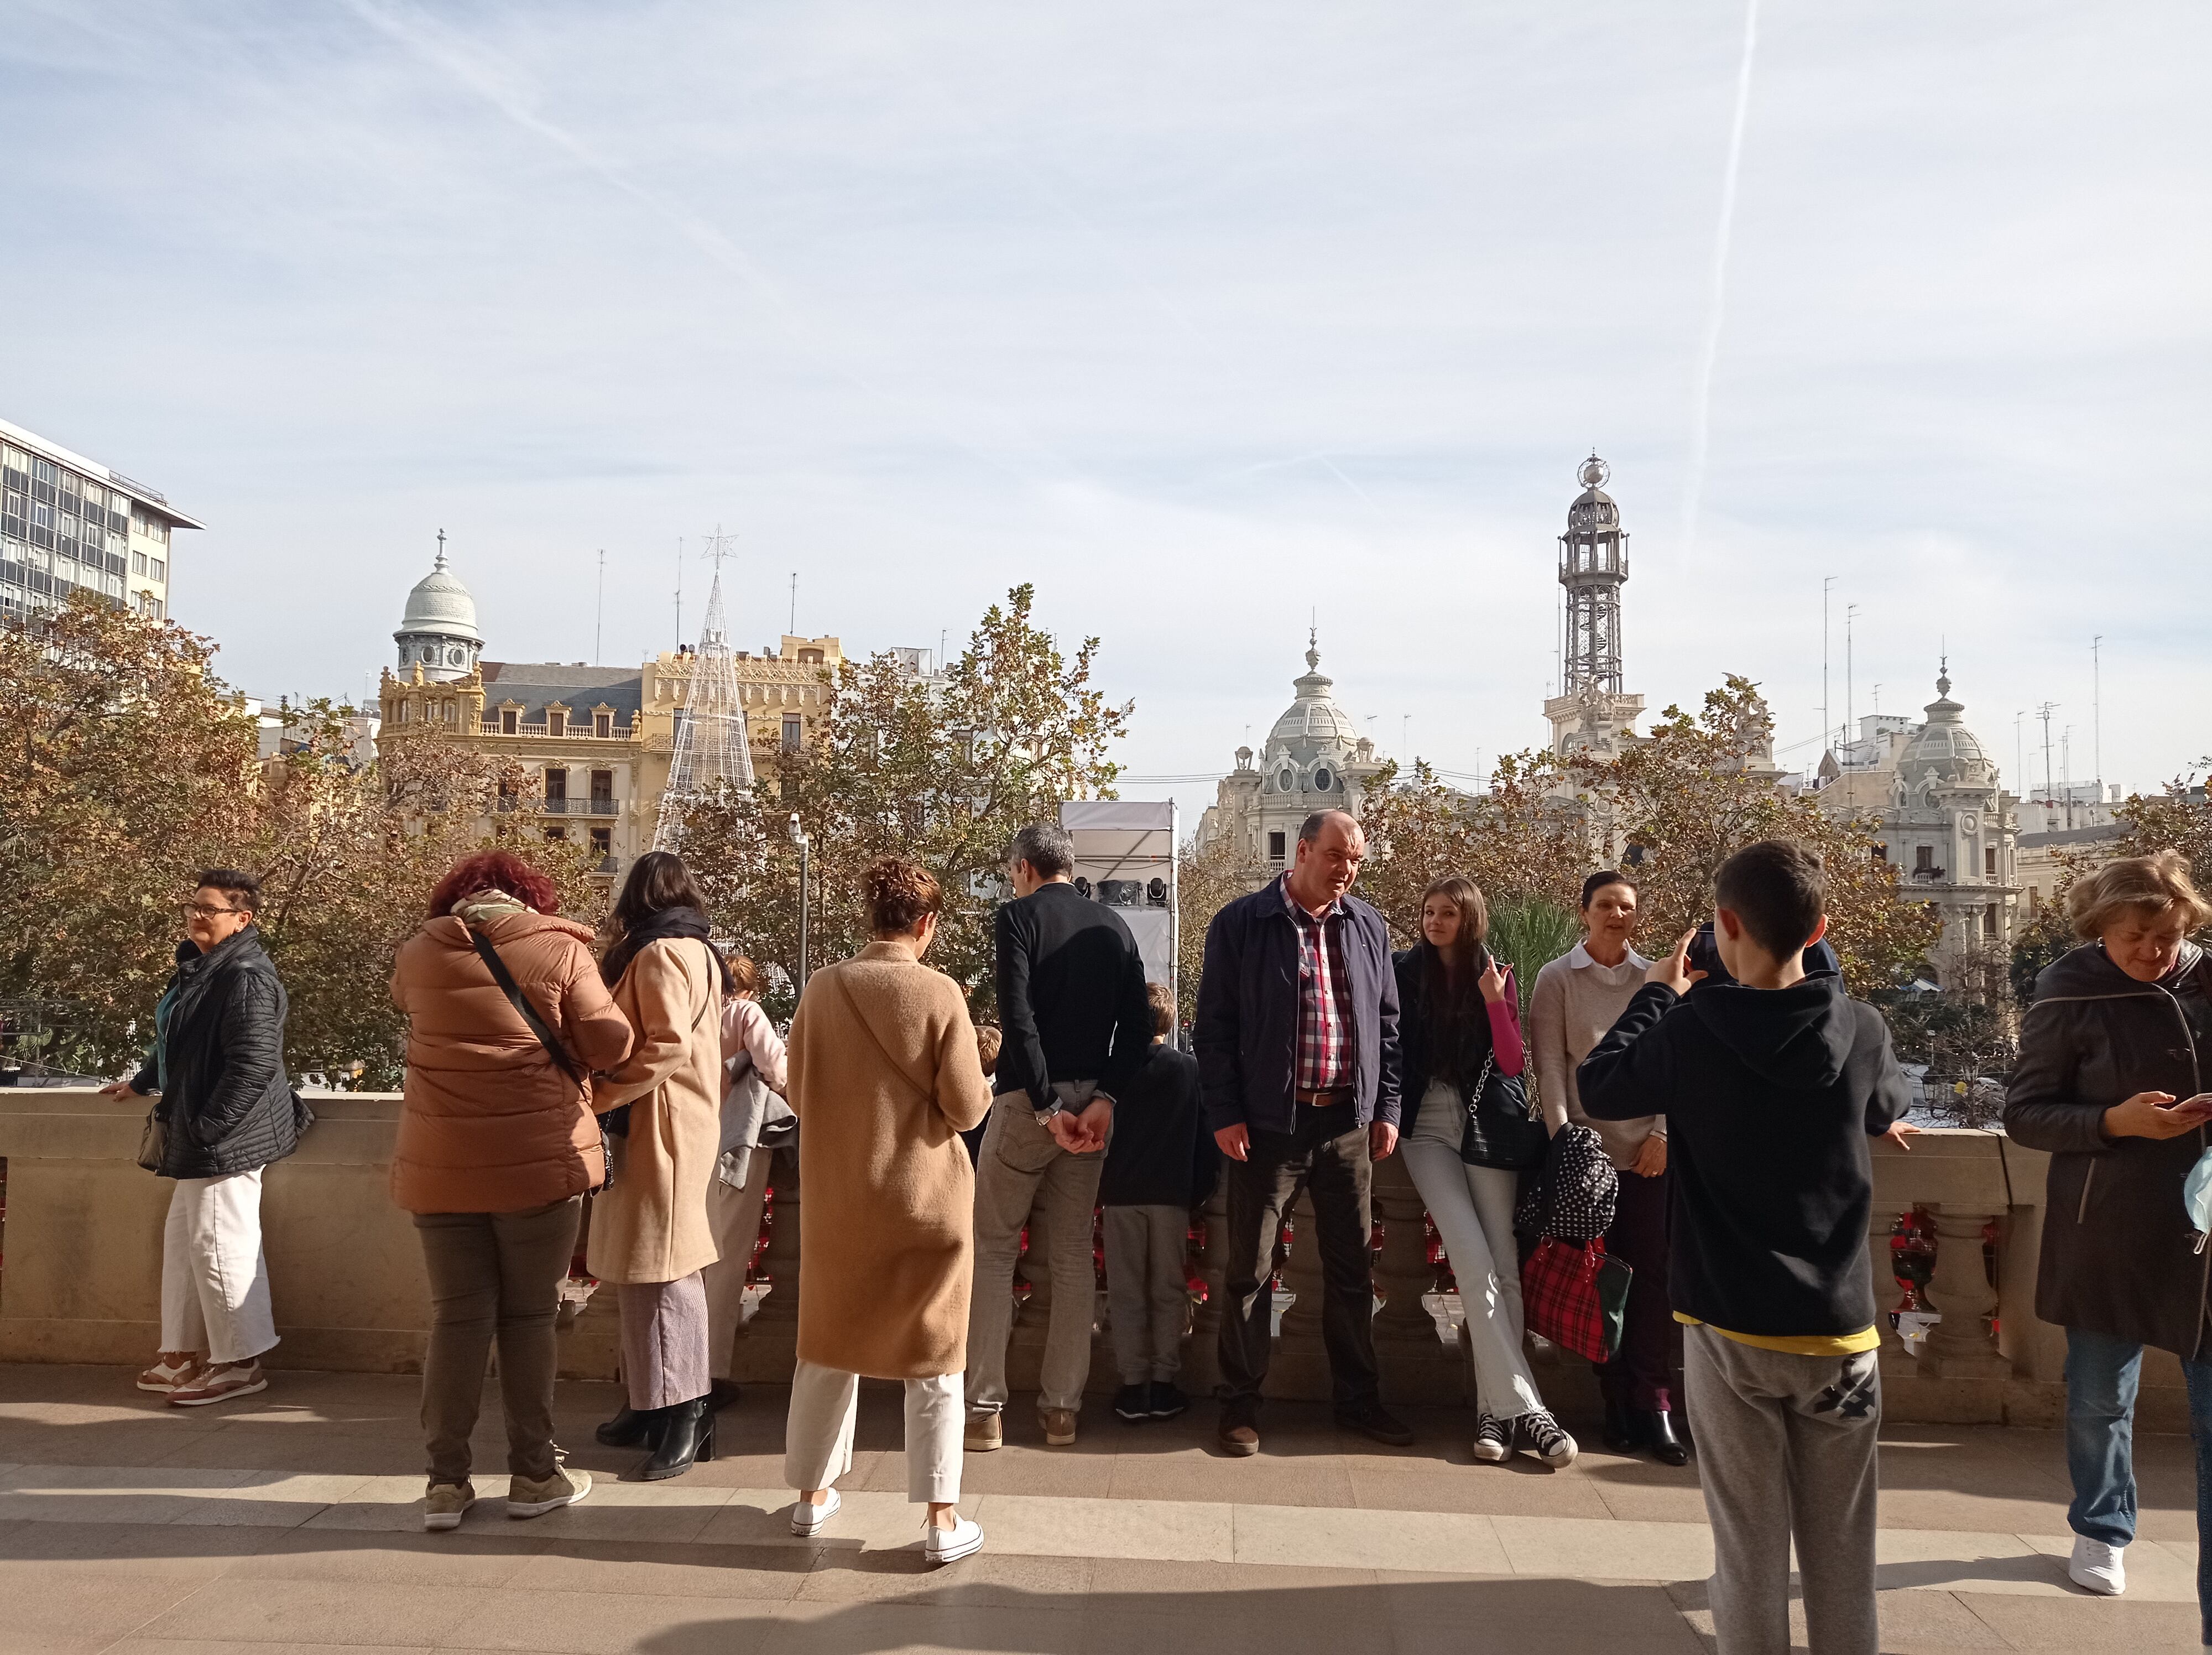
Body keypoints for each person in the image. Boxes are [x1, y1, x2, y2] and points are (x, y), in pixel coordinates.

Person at [1578, 839, 1910, 1655]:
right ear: (1820, 930)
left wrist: (1659, 993)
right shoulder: (1861, 1029)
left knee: (1749, 1549)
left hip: (1729, 1327)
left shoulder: (1693, 1029)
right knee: (1844, 1555)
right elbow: (1885, 1104)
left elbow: (1601, 1083)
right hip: (1840, 1334)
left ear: (1724, 925)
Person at [389, 850, 632, 1530]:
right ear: (531, 898)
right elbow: (609, 1043)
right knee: (529, 1317)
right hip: (537, 1160)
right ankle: (533, 1474)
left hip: (440, 1164)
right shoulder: (560, 949)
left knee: (457, 1318)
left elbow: (408, 1005)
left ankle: (444, 1483)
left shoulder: (419, 952)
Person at [2004, 850, 2212, 1621]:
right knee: (2098, 1397)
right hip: (2105, 1225)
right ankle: (2100, 1527)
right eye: (2134, 938)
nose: (2153, 953)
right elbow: (2026, 1114)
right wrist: (2113, 1122)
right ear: (2100, 928)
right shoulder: (2068, 987)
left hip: (2203, 1228)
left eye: (2168, 937)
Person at [783, 856, 994, 1564]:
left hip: (840, 1202)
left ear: (870, 917)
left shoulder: (822, 988)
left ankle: (811, 1498)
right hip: (924, 1201)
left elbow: (797, 1091)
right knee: (934, 1357)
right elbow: (966, 1108)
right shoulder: (939, 993)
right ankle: (941, 1520)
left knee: (827, 1347)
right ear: (926, 923)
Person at [1195, 808, 1410, 1456]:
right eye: (1337, 856)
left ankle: (1358, 1401)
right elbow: (1214, 1029)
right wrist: (1226, 1111)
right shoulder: (1242, 922)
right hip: (1269, 1125)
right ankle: (1239, 1406)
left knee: (1352, 1271)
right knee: (1250, 1270)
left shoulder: (1367, 925)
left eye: (1356, 860)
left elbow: (1388, 1027)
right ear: (1303, 851)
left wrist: (1386, 1108)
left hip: (1347, 1123)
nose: (1347, 870)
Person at [965, 820, 1153, 1451]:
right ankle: (1062, 1411)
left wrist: (1046, 1105)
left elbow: (1017, 1018)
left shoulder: (1017, 918)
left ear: (1024, 867)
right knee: (1072, 1255)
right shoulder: (1115, 927)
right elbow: (1137, 1027)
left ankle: (984, 1409)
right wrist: (1104, 1098)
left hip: (1027, 1102)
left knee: (994, 1250)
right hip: (1092, 1105)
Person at [1394, 876, 1576, 1467]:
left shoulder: (1495, 973)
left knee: (1503, 1265)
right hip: (1425, 1129)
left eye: (1447, 912)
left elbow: (1512, 1062)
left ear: (1469, 918)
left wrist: (1495, 999)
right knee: (1473, 1263)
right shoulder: (1403, 972)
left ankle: (1493, 1414)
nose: (1435, 921)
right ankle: (1534, 1412)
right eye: (1428, 910)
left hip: (1488, 1128)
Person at [107, 869, 304, 1409]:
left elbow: (254, 1064)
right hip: (199, 1130)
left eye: (210, 909)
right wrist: (143, 1082)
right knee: (185, 1241)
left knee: (220, 1244)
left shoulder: (245, 976)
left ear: (242, 919)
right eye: (194, 906)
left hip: (226, 1137)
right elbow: (178, 1039)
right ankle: (179, 1355)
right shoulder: (201, 967)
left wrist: (210, 1127)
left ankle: (240, 1362)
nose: (197, 915)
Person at [1529, 870, 1684, 1465]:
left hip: (1648, 1157)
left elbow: (1675, 1062)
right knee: (1597, 1280)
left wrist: (1663, 1134)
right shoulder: (1557, 978)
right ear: (1584, 912)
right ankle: (1615, 1399)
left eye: (1625, 906)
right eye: (1605, 905)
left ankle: (1655, 1403)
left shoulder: (1658, 978)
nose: (1616, 915)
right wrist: (1565, 1141)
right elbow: (1549, 1067)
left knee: (1652, 1280)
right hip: (1586, 1157)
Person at [587, 850, 732, 1480]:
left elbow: (667, 1044)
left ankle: (689, 1410)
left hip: (660, 1126)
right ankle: (652, 1402)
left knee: (668, 1272)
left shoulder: (660, 952)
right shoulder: (698, 949)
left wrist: (603, 1093)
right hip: (672, 1123)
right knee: (645, 1267)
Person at [1099, 980, 1217, 1424]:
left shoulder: (1113, 1070)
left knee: (1126, 1292)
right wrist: (1198, 1190)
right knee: (1169, 1290)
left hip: (1121, 1194)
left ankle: (1133, 1384)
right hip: (1171, 1194)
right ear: (1170, 1022)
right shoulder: (1189, 1070)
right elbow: (1205, 1138)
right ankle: (1165, 1381)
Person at [700, 954, 787, 1413]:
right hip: (738, 1142)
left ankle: (677, 1367)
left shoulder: (693, 1011)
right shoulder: (745, 1013)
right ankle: (709, 1374)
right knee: (727, 1260)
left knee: (691, 1263)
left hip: (692, 1143)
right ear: (750, 990)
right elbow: (777, 1067)